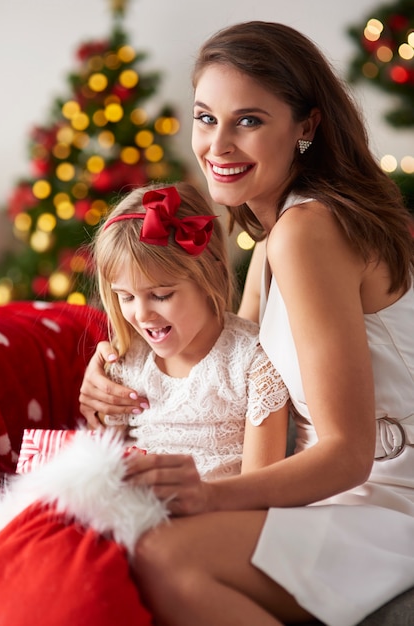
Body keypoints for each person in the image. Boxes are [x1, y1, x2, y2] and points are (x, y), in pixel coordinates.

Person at [79, 21, 414, 626]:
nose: (217, 145)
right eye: (206, 117)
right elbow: (222, 358)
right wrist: (106, 369)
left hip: (387, 499)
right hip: (331, 493)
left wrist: (206, 496)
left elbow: (349, 453)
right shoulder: (269, 244)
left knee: (161, 557)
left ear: (306, 127)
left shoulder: (305, 232)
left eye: (249, 121)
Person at [91, 180, 289, 483]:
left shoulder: (253, 365)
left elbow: (259, 490)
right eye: (127, 297)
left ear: (211, 273)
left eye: (161, 295)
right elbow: (102, 467)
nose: (142, 315)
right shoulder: (128, 359)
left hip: (218, 520)